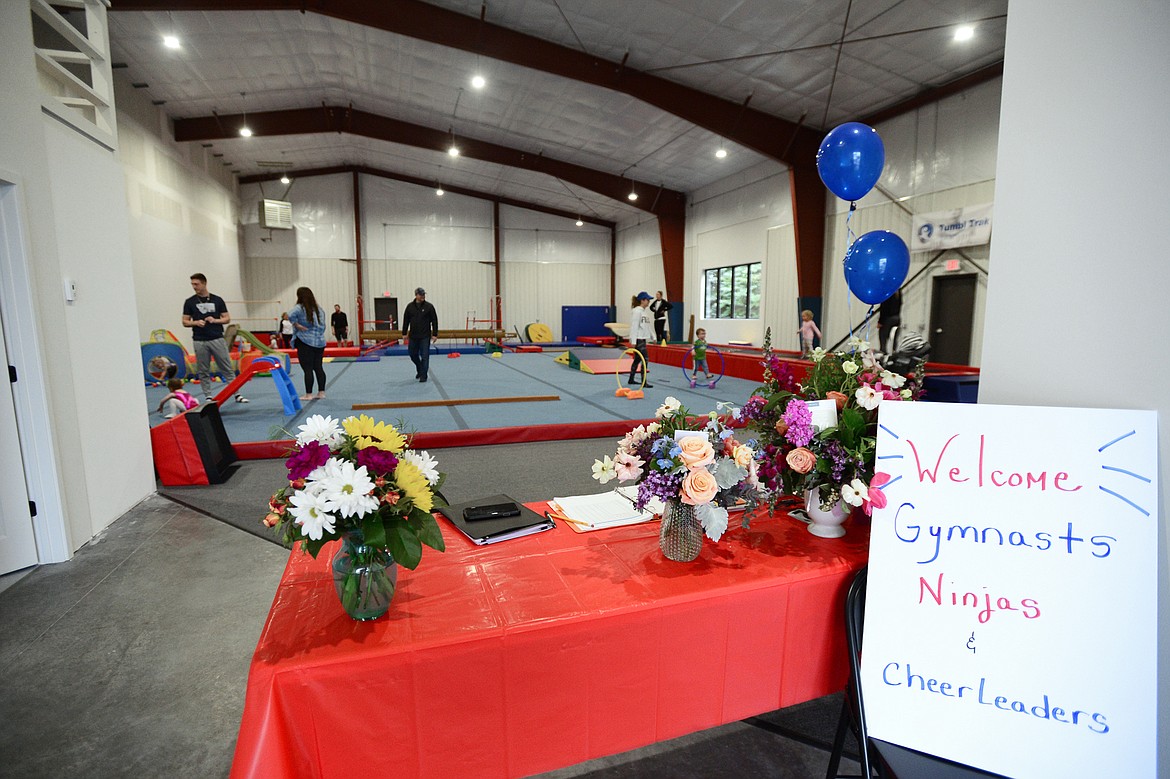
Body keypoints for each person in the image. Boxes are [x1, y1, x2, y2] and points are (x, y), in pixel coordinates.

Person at [182, 272, 247, 404]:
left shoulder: (217, 300)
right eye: (192, 284)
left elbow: (227, 318)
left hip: (216, 338)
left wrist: (215, 320)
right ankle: (208, 396)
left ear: (204, 283)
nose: (194, 287)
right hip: (199, 340)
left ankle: (237, 394)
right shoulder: (190, 302)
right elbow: (184, 321)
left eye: (197, 284)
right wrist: (196, 323)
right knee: (203, 369)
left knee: (227, 367)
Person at [288, 286, 328, 400]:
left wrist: (296, 324)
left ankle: (308, 394)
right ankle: (321, 392)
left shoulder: (299, 308)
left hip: (305, 341)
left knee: (307, 368)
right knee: (318, 367)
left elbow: (289, 314)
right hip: (319, 342)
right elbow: (323, 325)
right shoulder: (319, 309)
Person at [402, 287, 439, 382]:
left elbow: (434, 320)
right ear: (416, 295)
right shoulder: (410, 307)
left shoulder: (429, 307)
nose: (423, 296)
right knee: (412, 354)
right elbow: (406, 320)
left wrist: (435, 334)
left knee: (425, 356)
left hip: (425, 336)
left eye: (424, 294)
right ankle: (420, 368)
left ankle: (424, 375)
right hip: (413, 336)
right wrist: (404, 333)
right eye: (421, 294)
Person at [627, 291, 655, 388]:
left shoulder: (644, 312)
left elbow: (647, 326)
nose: (649, 302)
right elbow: (634, 326)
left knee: (637, 359)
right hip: (638, 339)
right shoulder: (637, 311)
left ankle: (631, 379)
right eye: (647, 300)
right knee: (645, 359)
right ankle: (644, 382)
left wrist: (653, 336)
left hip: (643, 339)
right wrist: (633, 341)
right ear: (642, 300)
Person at [877, 289, 902, 354]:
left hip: (888, 318)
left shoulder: (888, 291)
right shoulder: (898, 291)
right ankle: (894, 352)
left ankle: (883, 352)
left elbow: (884, 307)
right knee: (894, 337)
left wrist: (880, 321)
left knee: (883, 336)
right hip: (897, 317)